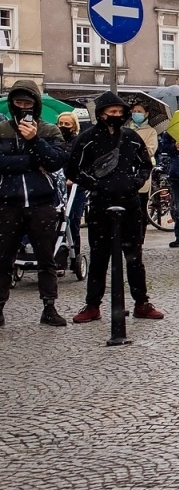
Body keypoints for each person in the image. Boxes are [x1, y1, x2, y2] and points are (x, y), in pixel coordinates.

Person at [66, 92, 162, 323]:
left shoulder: (130, 137)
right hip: (100, 204)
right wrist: (95, 184)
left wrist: (135, 182)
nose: (116, 116)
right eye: (112, 112)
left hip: (129, 203)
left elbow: (145, 165)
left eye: (120, 113)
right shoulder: (87, 139)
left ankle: (141, 302)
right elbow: (72, 169)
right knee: (99, 257)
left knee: (134, 258)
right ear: (101, 114)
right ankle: (92, 305)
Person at [0, 79, 68, 327]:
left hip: (42, 203)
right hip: (8, 202)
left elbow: (56, 160)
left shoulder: (48, 130)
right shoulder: (2, 130)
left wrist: (34, 141)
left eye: (27, 103)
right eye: (18, 102)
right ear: (12, 104)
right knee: (3, 258)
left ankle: (49, 307)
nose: (22, 107)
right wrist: (29, 161)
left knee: (46, 258)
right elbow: (1, 163)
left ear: (35, 105)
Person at [56, 110, 88, 260]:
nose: (63, 126)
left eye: (67, 124)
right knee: (58, 223)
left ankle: (75, 254)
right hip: (57, 187)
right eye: (61, 123)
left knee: (73, 221)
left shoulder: (80, 142)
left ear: (74, 126)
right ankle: (59, 255)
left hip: (75, 188)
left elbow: (84, 164)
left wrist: (74, 178)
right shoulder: (55, 141)